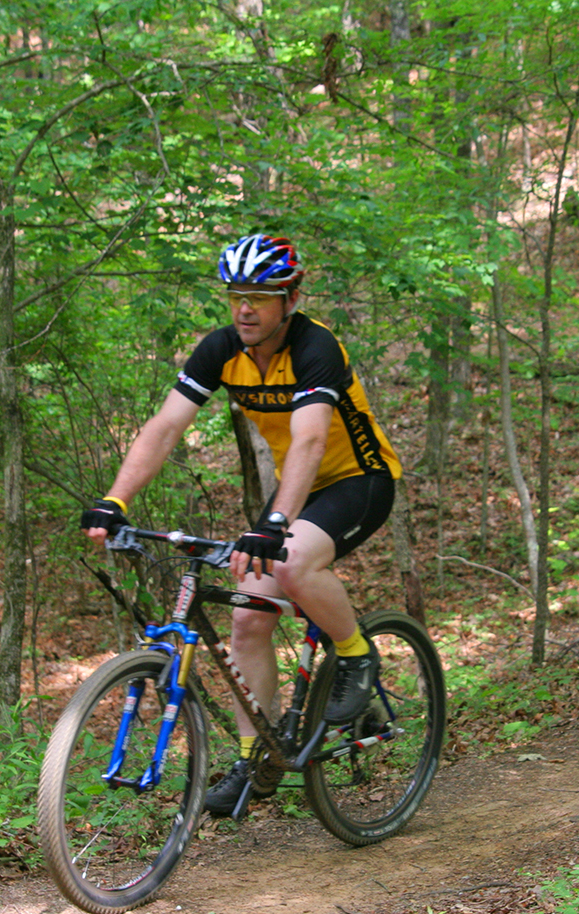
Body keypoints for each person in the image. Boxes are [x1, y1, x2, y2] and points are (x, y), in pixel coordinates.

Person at [79, 234, 402, 816]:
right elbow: (164, 428)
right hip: (295, 491)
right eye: (235, 295)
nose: (245, 308)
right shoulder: (221, 350)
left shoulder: (315, 347)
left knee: (293, 559)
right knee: (248, 617)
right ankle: (258, 762)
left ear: (291, 297)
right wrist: (115, 500)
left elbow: (309, 438)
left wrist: (275, 520)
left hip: (359, 481)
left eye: (260, 295)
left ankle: (355, 656)